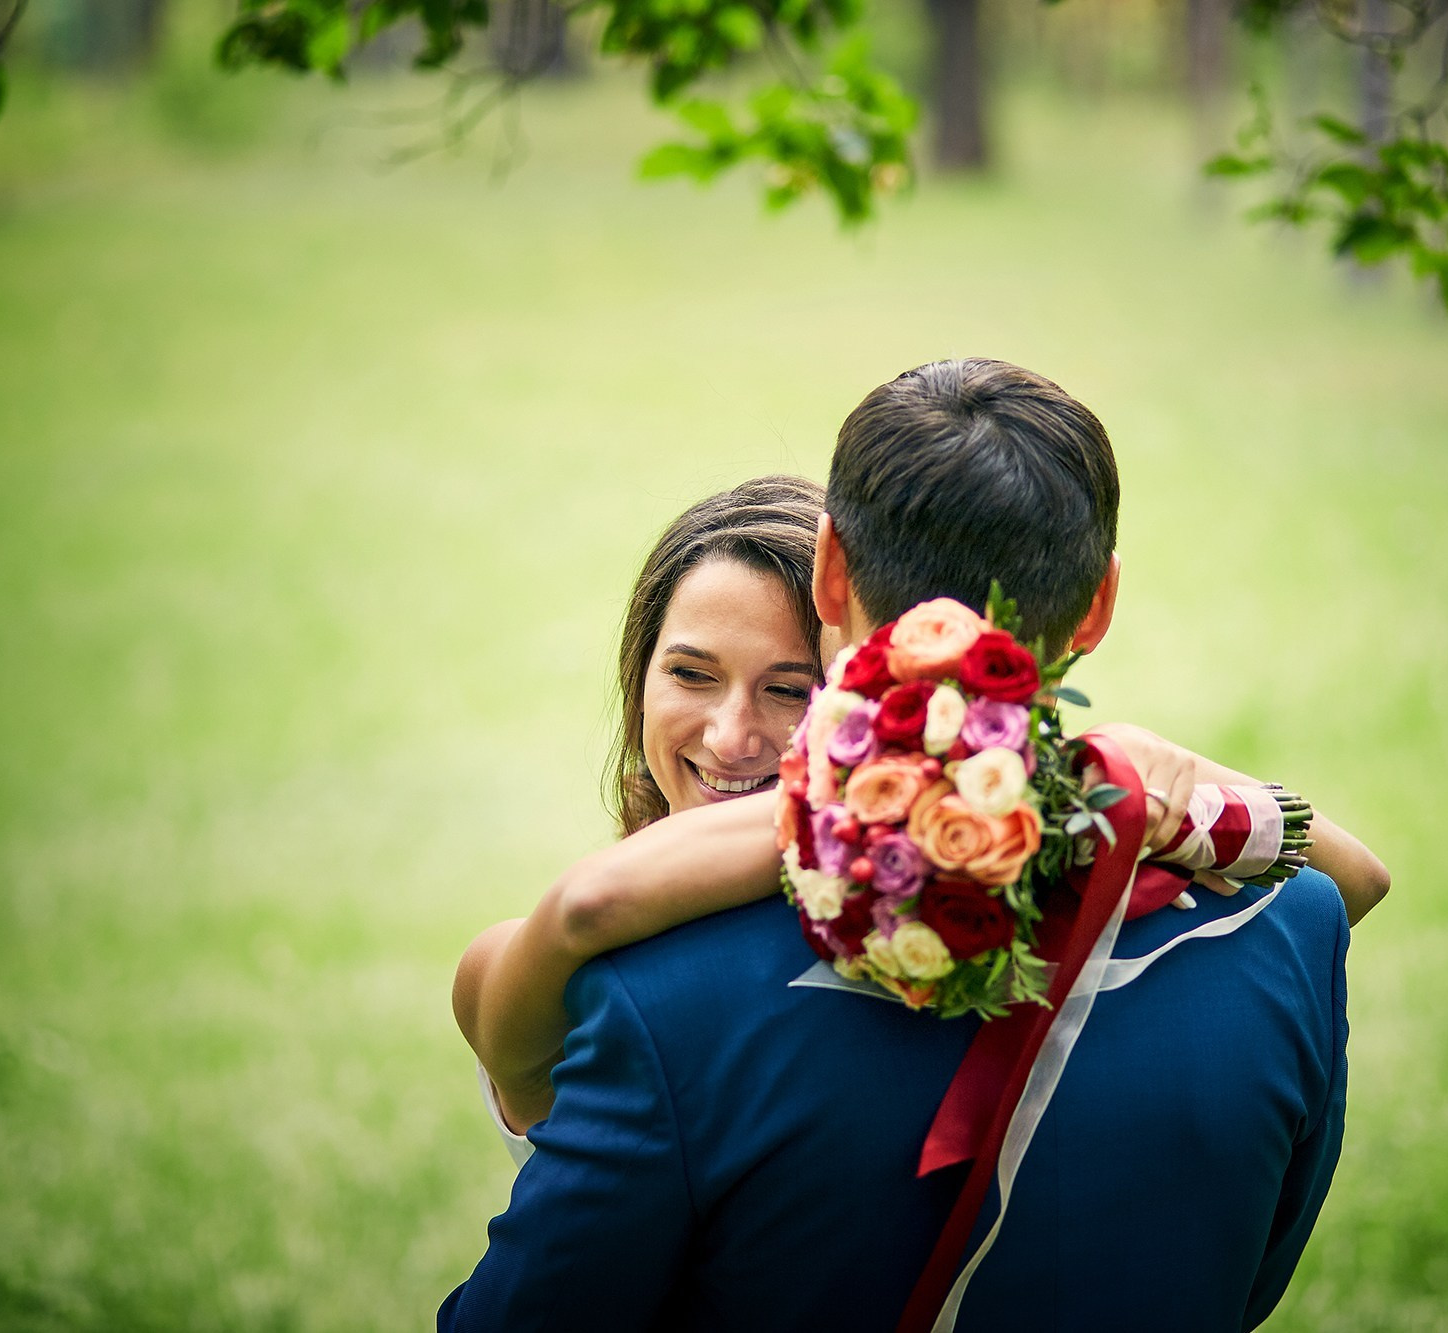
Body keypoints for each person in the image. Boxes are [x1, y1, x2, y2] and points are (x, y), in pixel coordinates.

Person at [443, 360, 1386, 1330]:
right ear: (1097, 605)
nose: (733, 738)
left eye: (788, 690)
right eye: (690, 673)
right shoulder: (1291, 932)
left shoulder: (664, 1001)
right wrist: (1081, 768)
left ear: (828, 571)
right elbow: (1252, 1278)